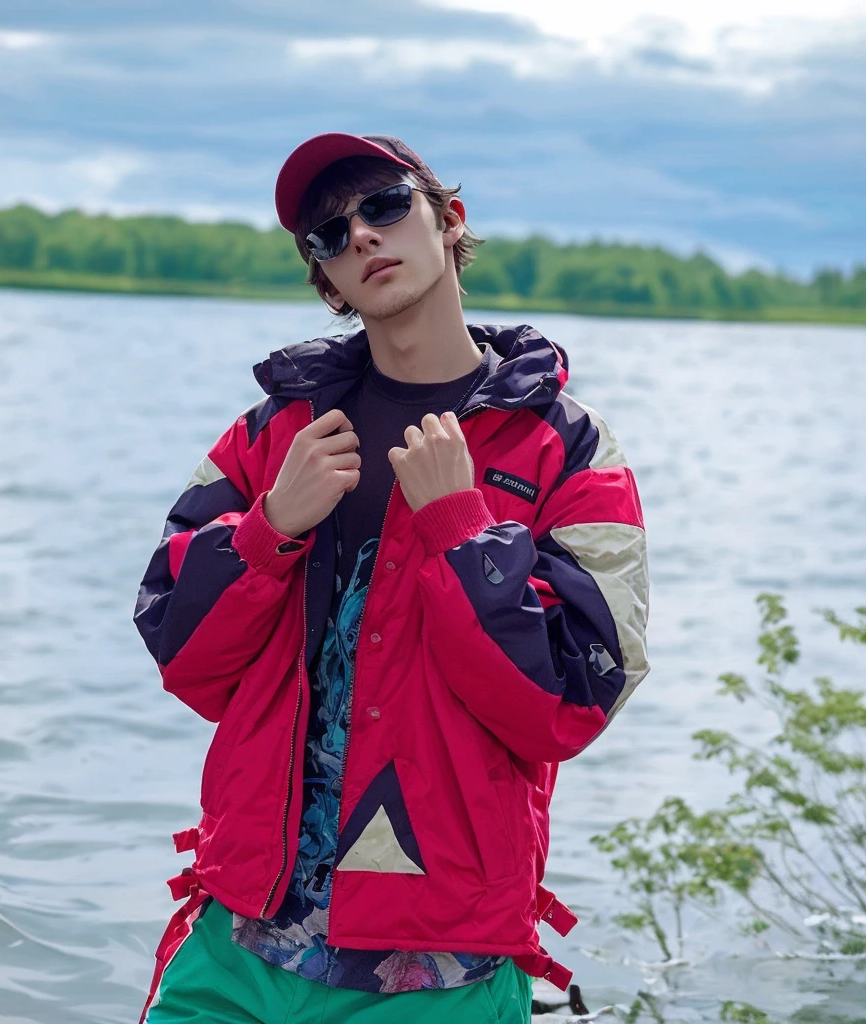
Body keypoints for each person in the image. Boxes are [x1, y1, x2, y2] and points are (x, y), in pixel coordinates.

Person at [133, 133, 650, 1024]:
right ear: (325, 281)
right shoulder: (275, 434)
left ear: (449, 220)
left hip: (439, 968)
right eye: (328, 235)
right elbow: (184, 654)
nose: (361, 236)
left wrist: (463, 534)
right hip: (237, 945)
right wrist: (267, 532)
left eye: (383, 205)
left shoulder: (567, 448)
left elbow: (569, 702)